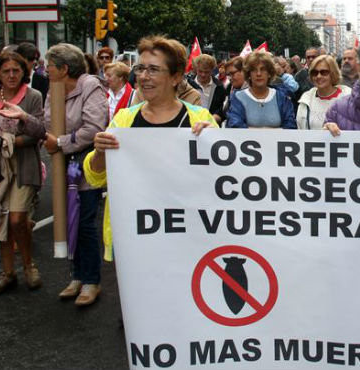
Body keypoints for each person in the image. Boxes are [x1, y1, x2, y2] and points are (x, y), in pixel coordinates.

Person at [84, 35, 218, 268]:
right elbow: (95, 177)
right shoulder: (124, 119)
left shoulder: (199, 118)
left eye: (154, 70)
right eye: (141, 68)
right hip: (136, 235)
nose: (144, 76)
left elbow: (223, 178)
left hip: (190, 235)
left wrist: (214, 144)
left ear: (176, 77)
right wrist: (100, 152)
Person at [21, 43, 108, 306]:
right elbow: (48, 125)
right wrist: (24, 118)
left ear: (64, 69)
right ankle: (77, 276)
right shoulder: (54, 90)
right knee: (68, 222)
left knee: (84, 223)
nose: (45, 71)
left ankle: (92, 281)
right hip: (62, 165)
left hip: (85, 166)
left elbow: (93, 128)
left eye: (49, 67)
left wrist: (60, 142)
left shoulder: (91, 86)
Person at [0, 51, 45, 295]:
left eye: (16, 70)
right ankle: (8, 272)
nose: (12, 75)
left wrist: (8, 141)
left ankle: (28, 266)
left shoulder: (33, 96)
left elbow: (39, 131)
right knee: (1, 219)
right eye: (6, 71)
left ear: (24, 72)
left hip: (24, 165)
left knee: (17, 219)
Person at [227, 51, 296, 129]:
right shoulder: (237, 98)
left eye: (263, 69)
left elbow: (290, 127)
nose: (259, 74)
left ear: (269, 73)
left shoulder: (282, 97)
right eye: (254, 70)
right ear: (249, 74)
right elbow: (235, 126)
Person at [296, 55, 351, 130]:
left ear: (333, 73)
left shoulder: (349, 97)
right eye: (314, 73)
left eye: (324, 72)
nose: (318, 76)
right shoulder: (306, 100)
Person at [191, 54, 226, 120]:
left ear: (212, 70)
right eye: (200, 71)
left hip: (211, 126)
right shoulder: (188, 84)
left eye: (207, 72)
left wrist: (216, 117)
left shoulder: (219, 87)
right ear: (196, 69)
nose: (203, 75)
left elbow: (222, 108)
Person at [219, 56, 246, 126]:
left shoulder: (254, 92)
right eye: (228, 75)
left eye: (233, 73)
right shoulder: (230, 88)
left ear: (244, 71)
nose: (230, 78)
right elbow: (225, 113)